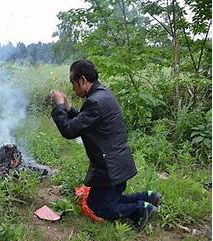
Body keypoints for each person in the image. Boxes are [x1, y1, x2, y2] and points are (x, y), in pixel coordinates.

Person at [50, 59, 161, 229]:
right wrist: (67, 107)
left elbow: (70, 130)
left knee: (99, 207)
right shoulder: (102, 94)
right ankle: (148, 197)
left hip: (110, 167)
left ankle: (141, 209)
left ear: (82, 80)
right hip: (117, 163)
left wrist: (58, 107)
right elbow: (84, 121)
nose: (73, 89)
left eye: (73, 83)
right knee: (110, 200)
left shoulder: (95, 101)